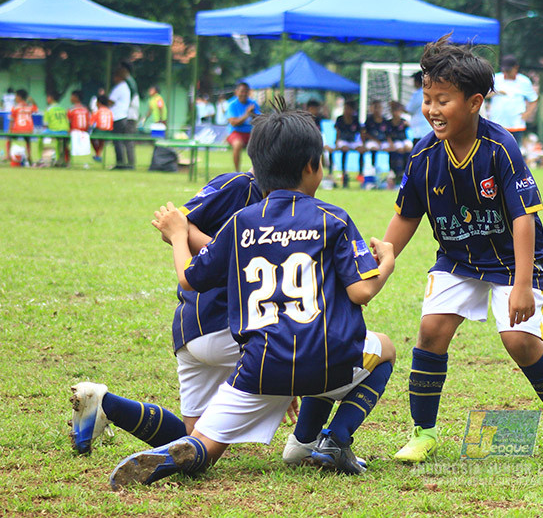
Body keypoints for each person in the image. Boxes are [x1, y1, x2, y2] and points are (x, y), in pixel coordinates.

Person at [109, 107, 396, 488]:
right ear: (313, 166)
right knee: (387, 348)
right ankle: (333, 440)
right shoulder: (334, 218)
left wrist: (179, 236)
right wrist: (387, 262)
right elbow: (361, 291)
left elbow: (190, 280)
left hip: (259, 363)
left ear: (256, 168)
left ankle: (184, 453)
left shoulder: (242, 222)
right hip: (324, 358)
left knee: (204, 444)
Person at [383, 36, 543, 465]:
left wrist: (523, 285)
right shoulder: (423, 155)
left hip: (512, 261)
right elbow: (406, 216)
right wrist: (383, 258)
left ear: (475, 103)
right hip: (456, 257)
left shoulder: (501, 149)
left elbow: (523, 217)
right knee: (431, 332)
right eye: (427, 98)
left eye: (444, 100)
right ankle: (424, 433)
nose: (432, 110)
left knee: (518, 341)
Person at [70, 171, 262, 456]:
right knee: (315, 359)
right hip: (225, 322)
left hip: (192, 325)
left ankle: (105, 404)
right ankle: (310, 443)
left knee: (192, 446)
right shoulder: (240, 185)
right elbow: (175, 225)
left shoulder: (275, 199)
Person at [487, 54, 538, 145]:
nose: (506, 73)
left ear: (516, 68)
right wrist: (496, 92)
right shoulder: (495, 79)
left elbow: (533, 100)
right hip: (497, 123)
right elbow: (483, 95)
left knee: (514, 152)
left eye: (509, 71)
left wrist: (527, 114)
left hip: (516, 124)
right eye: (505, 71)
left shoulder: (524, 81)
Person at [225, 82, 260, 171]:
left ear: (249, 93)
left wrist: (253, 115)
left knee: (262, 144)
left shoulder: (253, 104)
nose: (244, 94)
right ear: (237, 92)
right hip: (235, 132)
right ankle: (237, 171)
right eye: (241, 91)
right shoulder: (232, 104)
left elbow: (260, 119)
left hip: (251, 133)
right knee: (237, 144)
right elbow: (233, 122)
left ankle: (258, 171)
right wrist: (246, 114)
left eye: (246, 92)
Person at [109, 63, 135, 170]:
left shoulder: (120, 88)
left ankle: (120, 163)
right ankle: (123, 163)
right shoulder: (125, 87)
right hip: (122, 116)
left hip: (118, 117)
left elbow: (111, 101)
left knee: (117, 141)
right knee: (121, 141)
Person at [334, 100, 364, 188]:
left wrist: (362, 144)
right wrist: (336, 142)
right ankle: (344, 172)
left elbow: (361, 132)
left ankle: (360, 173)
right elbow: (338, 132)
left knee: (361, 151)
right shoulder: (340, 119)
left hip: (352, 141)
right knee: (344, 148)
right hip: (343, 140)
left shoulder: (355, 119)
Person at [7, 89, 36, 166]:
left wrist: (10, 131)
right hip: (28, 130)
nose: (15, 98)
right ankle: (29, 155)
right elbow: (36, 108)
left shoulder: (15, 107)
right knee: (28, 140)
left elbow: (12, 120)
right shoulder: (29, 107)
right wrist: (32, 101)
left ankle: (8, 156)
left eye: (16, 96)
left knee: (8, 138)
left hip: (17, 129)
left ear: (19, 97)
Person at [386, 101, 412, 182]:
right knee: (399, 148)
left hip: (403, 139)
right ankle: (398, 171)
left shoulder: (403, 121)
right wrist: (391, 144)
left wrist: (408, 124)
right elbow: (388, 134)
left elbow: (410, 128)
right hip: (395, 140)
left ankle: (406, 169)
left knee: (408, 147)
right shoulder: (389, 122)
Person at [43, 91, 70, 165]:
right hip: (64, 130)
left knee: (40, 136)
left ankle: (41, 158)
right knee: (61, 142)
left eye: (47, 97)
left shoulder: (48, 109)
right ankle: (61, 160)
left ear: (51, 98)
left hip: (54, 130)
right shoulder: (62, 108)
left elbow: (45, 124)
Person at [406, 71, 433, 140]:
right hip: (428, 128)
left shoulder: (418, 94)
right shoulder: (430, 92)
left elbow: (409, 109)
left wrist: (398, 106)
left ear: (417, 82)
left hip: (421, 130)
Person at [90, 95, 114, 162]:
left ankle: (97, 153)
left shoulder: (97, 111)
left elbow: (91, 123)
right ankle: (98, 154)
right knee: (101, 139)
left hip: (99, 131)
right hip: (109, 132)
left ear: (99, 103)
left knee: (90, 137)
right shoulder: (110, 111)